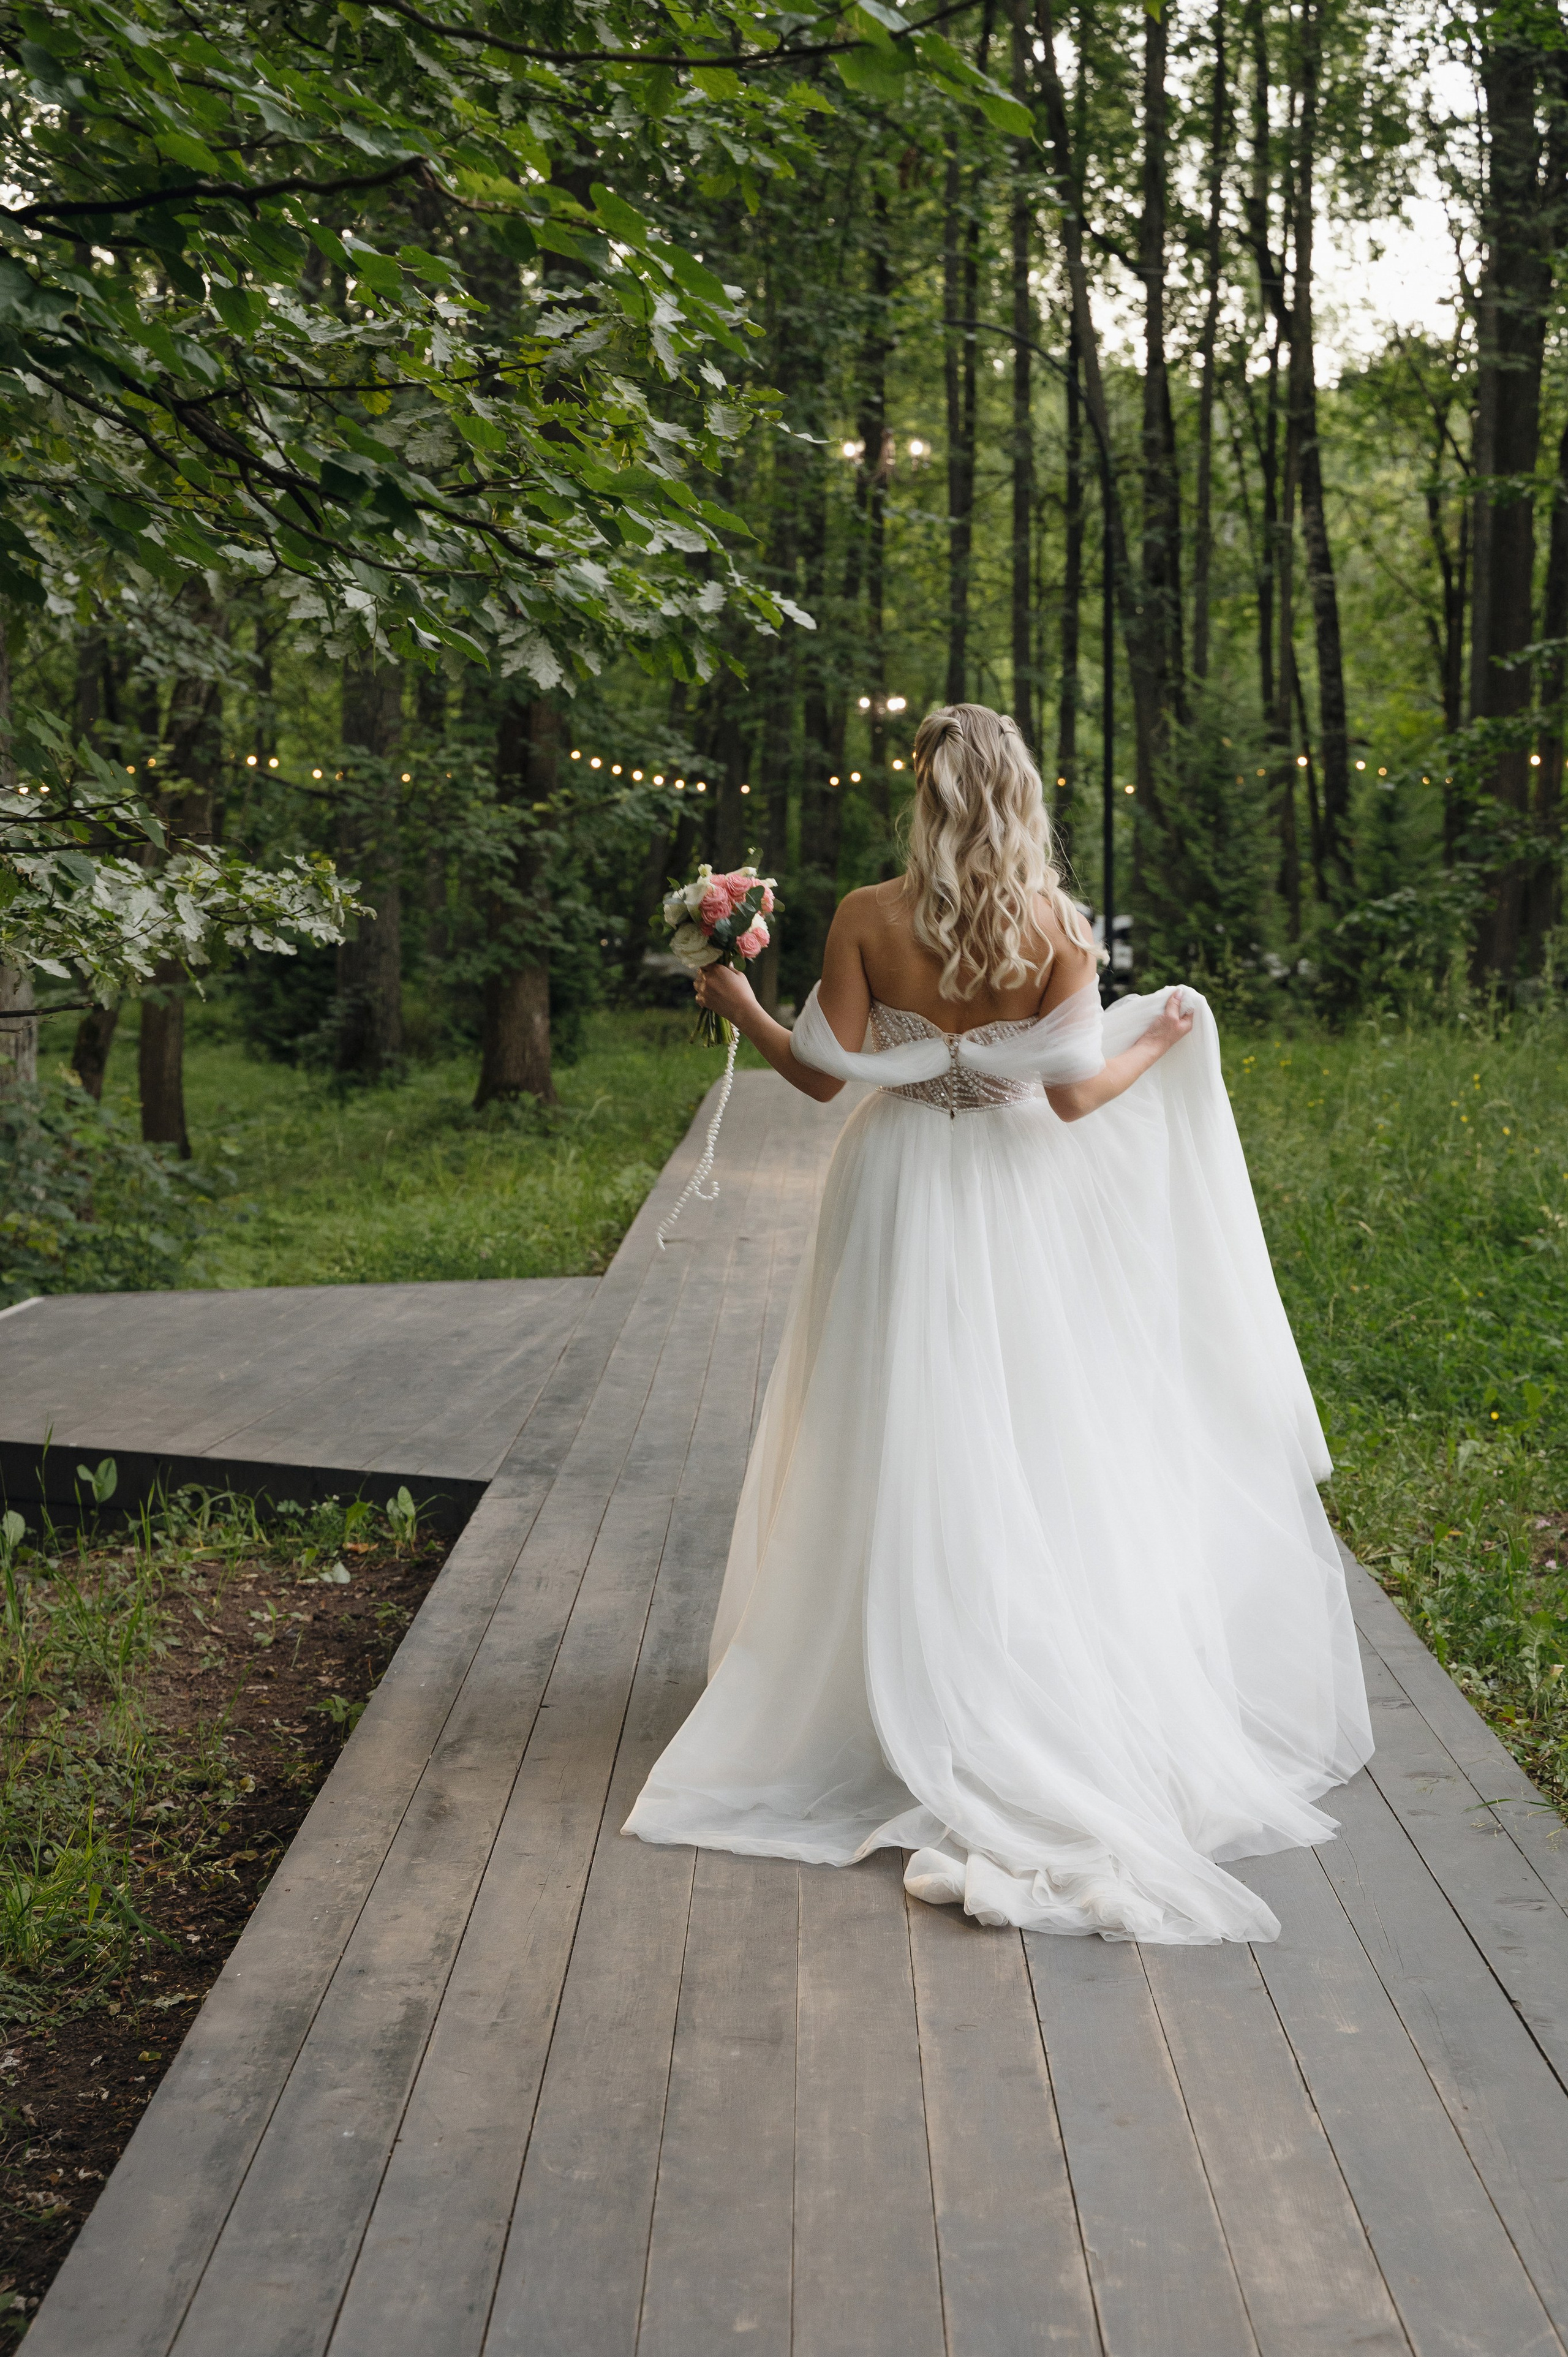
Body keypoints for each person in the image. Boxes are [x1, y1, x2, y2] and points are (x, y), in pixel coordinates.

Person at [624, 703, 1372, 1944]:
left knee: (887, 1421)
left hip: (897, 1187)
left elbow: (820, 1077)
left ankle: (868, 1677)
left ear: (924, 797)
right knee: (1026, 1427)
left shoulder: (868, 916)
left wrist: (742, 1004)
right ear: (1021, 797)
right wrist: (1166, 1035)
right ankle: (1008, 1663)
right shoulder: (1056, 929)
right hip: (1020, 1193)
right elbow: (1076, 1096)